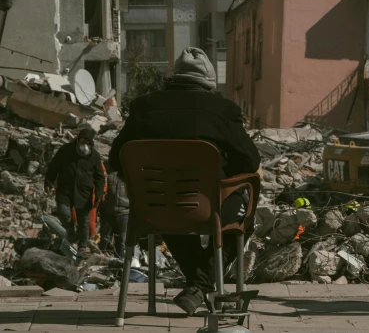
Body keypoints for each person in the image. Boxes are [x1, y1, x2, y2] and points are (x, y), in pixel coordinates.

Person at [109, 47, 261, 316]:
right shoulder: (223, 110)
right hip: (206, 207)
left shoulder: (143, 107)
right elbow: (249, 162)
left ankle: (198, 285)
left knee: (165, 199)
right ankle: (202, 286)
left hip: (154, 208)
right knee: (243, 218)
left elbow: (115, 158)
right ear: (209, 82)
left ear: (175, 76)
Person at [45, 127, 106, 254]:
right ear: (78, 140)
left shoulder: (94, 156)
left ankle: (82, 247)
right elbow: (54, 166)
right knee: (63, 213)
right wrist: (49, 181)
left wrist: (99, 194)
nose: (84, 145)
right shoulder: (66, 150)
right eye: (82, 141)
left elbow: (100, 177)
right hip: (65, 190)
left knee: (84, 222)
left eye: (87, 143)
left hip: (84, 193)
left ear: (91, 143)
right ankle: (70, 231)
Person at [99, 161, 129, 257]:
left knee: (121, 240)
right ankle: (103, 260)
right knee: (104, 238)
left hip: (124, 212)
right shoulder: (106, 170)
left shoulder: (130, 173)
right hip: (107, 211)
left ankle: (120, 261)